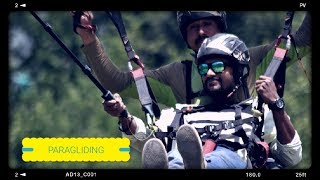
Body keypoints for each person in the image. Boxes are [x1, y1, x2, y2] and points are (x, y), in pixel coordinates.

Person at [103, 33, 302, 169]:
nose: (209, 73)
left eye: (217, 66)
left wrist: (276, 104)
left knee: (219, 157)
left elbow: (292, 157)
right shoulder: (180, 113)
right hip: (179, 160)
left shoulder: (255, 113)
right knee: (175, 158)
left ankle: (201, 165)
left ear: (237, 70)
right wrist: (123, 116)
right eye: (203, 69)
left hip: (231, 159)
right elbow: (147, 140)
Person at [72, 11, 311, 106]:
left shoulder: (253, 59)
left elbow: (302, 41)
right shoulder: (178, 76)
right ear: (185, 38)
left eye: (207, 24)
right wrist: (88, 38)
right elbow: (118, 83)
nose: (201, 32)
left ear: (221, 28)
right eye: (193, 28)